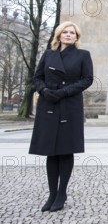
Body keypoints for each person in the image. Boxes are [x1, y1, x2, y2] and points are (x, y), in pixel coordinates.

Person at [29, 21, 94, 212]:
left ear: (76, 37)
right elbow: (37, 77)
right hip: (49, 104)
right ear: (58, 35)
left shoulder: (83, 55)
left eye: (72, 33)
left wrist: (64, 92)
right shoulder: (49, 55)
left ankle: (61, 193)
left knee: (66, 150)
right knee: (51, 151)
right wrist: (44, 91)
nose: (68, 35)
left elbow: (87, 79)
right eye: (65, 32)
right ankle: (52, 193)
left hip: (69, 105)